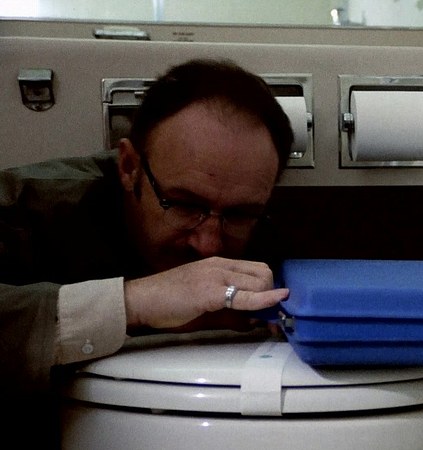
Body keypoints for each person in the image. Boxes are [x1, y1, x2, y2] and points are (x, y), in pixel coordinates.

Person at [0, 58, 294, 445]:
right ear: (129, 167)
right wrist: (134, 302)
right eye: (184, 205)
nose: (209, 244)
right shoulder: (21, 210)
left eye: (239, 214)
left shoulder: (270, 226)